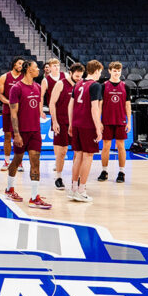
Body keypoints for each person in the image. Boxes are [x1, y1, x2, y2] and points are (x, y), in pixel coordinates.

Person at [5, 61, 51, 209]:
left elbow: (36, 106)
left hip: (35, 131)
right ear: (28, 70)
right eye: (36, 67)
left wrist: (41, 113)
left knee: (35, 162)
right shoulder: (16, 88)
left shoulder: (37, 87)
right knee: (17, 160)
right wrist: (16, 134)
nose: (39, 69)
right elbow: (13, 113)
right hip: (21, 132)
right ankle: (9, 188)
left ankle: (34, 197)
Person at [67, 60, 104, 202]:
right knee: (88, 157)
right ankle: (81, 190)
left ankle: (73, 189)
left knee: (78, 156)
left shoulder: (78, 84)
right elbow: (94, 108)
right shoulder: (95, 86)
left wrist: (71, 123)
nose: (100, 74)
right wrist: (98, 127)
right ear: (95, 71)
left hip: (76, 124)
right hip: (87, 125)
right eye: (100, 72)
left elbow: (71, 105)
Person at [47, 62, 83, 189]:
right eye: (77, 76)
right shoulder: (61, 83)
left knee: (78, 153)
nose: (79, 78)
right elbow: (52, 103)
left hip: (77, 123)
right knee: (62, 152)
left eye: (80, 76)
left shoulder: (82, 84)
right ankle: (58, 177)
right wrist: (54, 121)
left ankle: (76, 178)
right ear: (71, 73)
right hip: (61, 122)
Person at [98, 62, 132, 183]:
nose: (117, 73)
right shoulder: (103, 86)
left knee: (121, 146)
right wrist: (99, 122)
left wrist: (129, 122)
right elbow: (99, 105)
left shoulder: (125, 87)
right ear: (110, 71)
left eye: (118, 71)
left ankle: (122, 172)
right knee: (106, 146)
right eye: (114, 70)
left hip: (121, 120)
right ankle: (104, 170)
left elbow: (128, 106)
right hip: (107, 120)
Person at [0, 58, 25, 171]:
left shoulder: (24, 77)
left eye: (23, 64)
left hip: (21, 111)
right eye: (19, 63)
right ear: (14, 64)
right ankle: (7, 162)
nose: (21, 66)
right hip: (8, 110)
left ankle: (19, 163)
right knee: (7, 136)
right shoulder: (4, 77)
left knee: (19, 137)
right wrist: (9, 102)